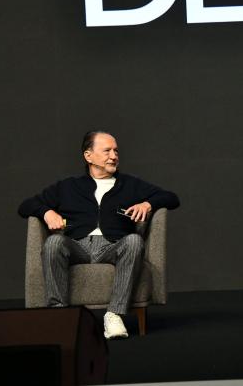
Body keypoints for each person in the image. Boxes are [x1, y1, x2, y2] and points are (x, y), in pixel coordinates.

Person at [18, 131, 180, 339]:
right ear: (88, 156)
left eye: (116, 151)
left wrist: (147, 204)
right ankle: (60, 315)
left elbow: (171, 198)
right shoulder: (68, 186)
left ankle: (114, 314)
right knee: (54, 242)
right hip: (77, 246)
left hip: (113, 246)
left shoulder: (130, 185)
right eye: (107, 151)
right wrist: (46, 212)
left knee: (134, 240)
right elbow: (26, 205)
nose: (114, 156)